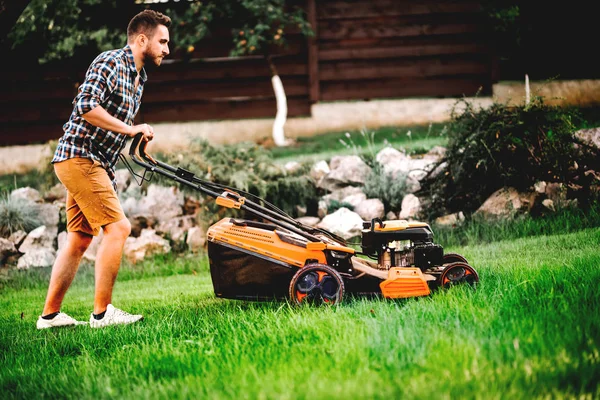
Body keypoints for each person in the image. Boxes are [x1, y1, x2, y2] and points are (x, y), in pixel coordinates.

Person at [36, 10, 171, 329]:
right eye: (162, 42)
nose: (167, 49)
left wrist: (138, 140)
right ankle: (102, 313)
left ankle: (50, 316)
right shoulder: (110, 62)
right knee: (118, 228)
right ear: (142, 39)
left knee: (80, 237)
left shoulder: (140, 78)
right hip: (79, 157)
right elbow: (85, 107)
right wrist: (130, 129)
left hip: (95, 162)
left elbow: (115, 126)